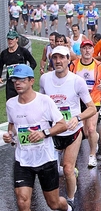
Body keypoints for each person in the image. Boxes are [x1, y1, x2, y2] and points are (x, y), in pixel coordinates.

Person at [2, 64, 73, 211]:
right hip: (23, 159)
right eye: (15, 80)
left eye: (21, 80)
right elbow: (13, 125)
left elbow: (62, 125)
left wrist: (44, 133)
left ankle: (67, 207)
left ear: (31, 81)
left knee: (53, 204)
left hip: (45, 158)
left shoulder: (44, 101)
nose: (17, 83)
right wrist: (11, 135)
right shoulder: (11, 104)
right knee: (22, 201)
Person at [40, 45, 96, 207]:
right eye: (55, 58)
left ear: (68, 60)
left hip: (73, 131)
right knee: (51, 170)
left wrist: (77, 117)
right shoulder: (45, 79)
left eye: (61, 58)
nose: (58, 61)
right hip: (53, 131)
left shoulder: (77, 81)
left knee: (68, 169)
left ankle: (70, 200)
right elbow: (41, 104)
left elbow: (91, 108)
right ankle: (56, 200)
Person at [69, 40, 101, 167]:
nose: (87, 51)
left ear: (93, 51)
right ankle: (94, 138)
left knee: (91, 128)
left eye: (89, 48)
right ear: (80, 51)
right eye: (84, 48)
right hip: (77, 101)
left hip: (93, 100)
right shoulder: (74, 65)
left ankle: (92, 155)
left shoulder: (99, 66)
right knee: (85, 133)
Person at [0, 30, 37, 100]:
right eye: (8, 39)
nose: (10, 41)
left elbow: (33, 63)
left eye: (12, 39)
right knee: (11, 103)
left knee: (25, 100)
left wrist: (26, 73)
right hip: (11, 82)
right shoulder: (4, 53)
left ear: (17, 39)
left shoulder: (23, 51)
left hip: (23, 81)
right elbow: (0, 65)